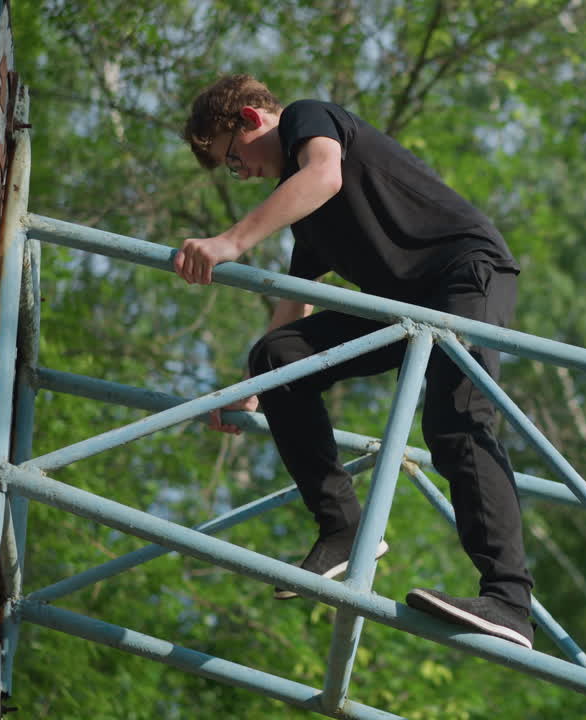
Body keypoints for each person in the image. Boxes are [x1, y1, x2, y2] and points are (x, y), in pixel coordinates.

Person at [173, 74, 535, 649]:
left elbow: (325, 173)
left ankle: (510, 600)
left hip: (467, 276)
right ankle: (343, 526)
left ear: (250, 118)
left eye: (236, 162)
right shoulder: (309, 213)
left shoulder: (309, 120)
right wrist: (252, 386)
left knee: (455, 421)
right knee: (278, 355)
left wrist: (230, 242)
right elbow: (295, 304)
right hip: (409, 309)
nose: (246, 176)